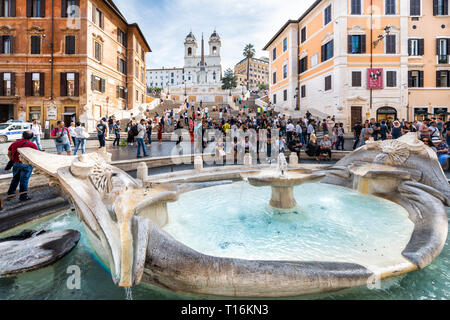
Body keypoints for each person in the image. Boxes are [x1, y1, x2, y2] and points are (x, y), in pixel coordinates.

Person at [7, 131, 38, 202]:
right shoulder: (32, 145)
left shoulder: (14, 143)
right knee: (24, 181)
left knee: (15, 179)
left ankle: (10, 195)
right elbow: (36, 155)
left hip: (16, 164)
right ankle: (23, 197)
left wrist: (13, 160)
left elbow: (9, 153)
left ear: (22, 136)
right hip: (26, 165)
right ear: (31, 137)